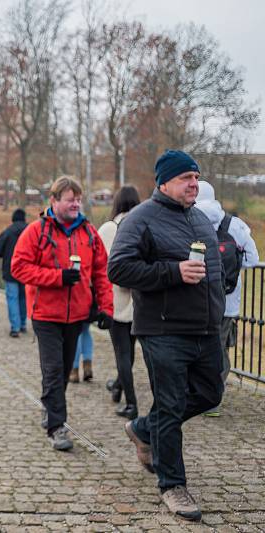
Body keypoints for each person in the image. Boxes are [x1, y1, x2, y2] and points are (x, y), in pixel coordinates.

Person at [108, 150, 225, 521]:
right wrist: (173, 272)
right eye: (185, 177)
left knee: (210, 393)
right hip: (162, 329)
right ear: (163, 182)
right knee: (171, 404)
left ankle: (143, 428)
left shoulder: (200, 218)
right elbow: (119, 268)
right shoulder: (141, 219)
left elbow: (215, 269)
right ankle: (172, 484)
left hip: (205, 328)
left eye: (196, 176)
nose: (194, 183)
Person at [11, 176, 114, 451]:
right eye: (70, 200)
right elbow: (18, 267)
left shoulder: (89, 233)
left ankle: (50, 409)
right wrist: (57, 277)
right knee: (54, 370)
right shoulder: (37, 231)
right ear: (54, 201)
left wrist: (106, 307)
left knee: (66, 368)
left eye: (78, 200)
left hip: (77, 315)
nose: (75, 204)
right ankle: (57, 427)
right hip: (45, 314)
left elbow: (101, 273)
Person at [194, 180, 259, 416]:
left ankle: (195, 393)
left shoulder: (189, 220)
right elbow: (252, 259)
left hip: (197, 298)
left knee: (195, 346)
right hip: (228, 301)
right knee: (219, 348)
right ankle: (213, 399)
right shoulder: (235, 225)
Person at [98, 185, 142, 420]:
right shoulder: (143, 225)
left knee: (122, 353)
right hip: (140, 299)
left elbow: (100, 265)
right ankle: (117, 385)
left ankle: (131, 403)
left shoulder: (108, 229)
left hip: (115, 298)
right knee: (130, 351)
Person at [0, 208, 28, 337]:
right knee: (24, 298)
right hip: (27, 272)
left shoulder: (8, 232)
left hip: (10, 271)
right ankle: (23, 323)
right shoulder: (30, 231)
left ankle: (15, 327)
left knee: (13, 299)